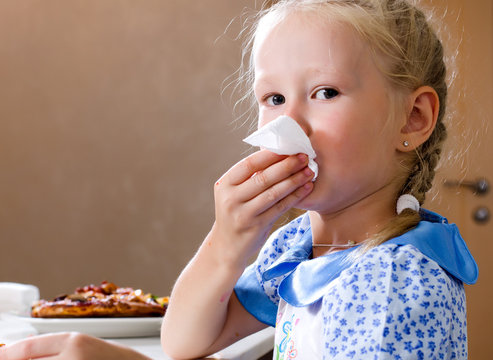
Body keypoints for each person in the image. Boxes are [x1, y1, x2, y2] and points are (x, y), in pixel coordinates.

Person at [161, 0, 478, 359]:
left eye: (325, 92)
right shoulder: (297, 246)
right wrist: (225, 244)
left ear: (413, 119)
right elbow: (184, 343)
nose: (289, 123)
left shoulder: (394, 280)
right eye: (274, 98)